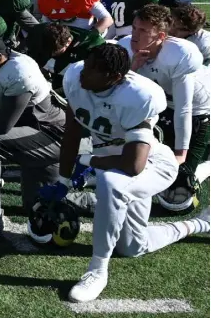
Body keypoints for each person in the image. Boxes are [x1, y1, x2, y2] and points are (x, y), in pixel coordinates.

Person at [52, 45, 207, 303]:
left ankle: (97, 270)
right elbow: (72, 131)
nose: (83, 72)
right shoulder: (76, 77)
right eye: (87, 63)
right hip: (114, 160)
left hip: (152, 165)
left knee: (112, 182)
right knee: (133, 246)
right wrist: (64, 180)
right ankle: (201, 223)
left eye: (92, 70)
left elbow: (133, 165)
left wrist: (89, 160)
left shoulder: (138, 97)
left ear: (113, 78)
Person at [0, 36, 66, 234]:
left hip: (52, 136)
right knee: (36, 204)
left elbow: (2, 126)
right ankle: (88, 201)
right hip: (30, 133)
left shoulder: (18, 72)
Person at [119, 5, 210, 182]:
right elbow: (120, 93)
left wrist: (180, 154)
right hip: (164, 104)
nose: (135, 35)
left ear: (161, 36)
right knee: (145, 160)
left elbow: (184, 108)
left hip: (198, 109)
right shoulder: (126, 47)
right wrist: (133, 68)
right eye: (135, 28)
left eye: (143, 30)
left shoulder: (179, 53)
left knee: (181, 179)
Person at [25, 21, 104, 93]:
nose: (50, 55)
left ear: (68, 42)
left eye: (54, 52)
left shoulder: (92, 45)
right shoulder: (42, 31)